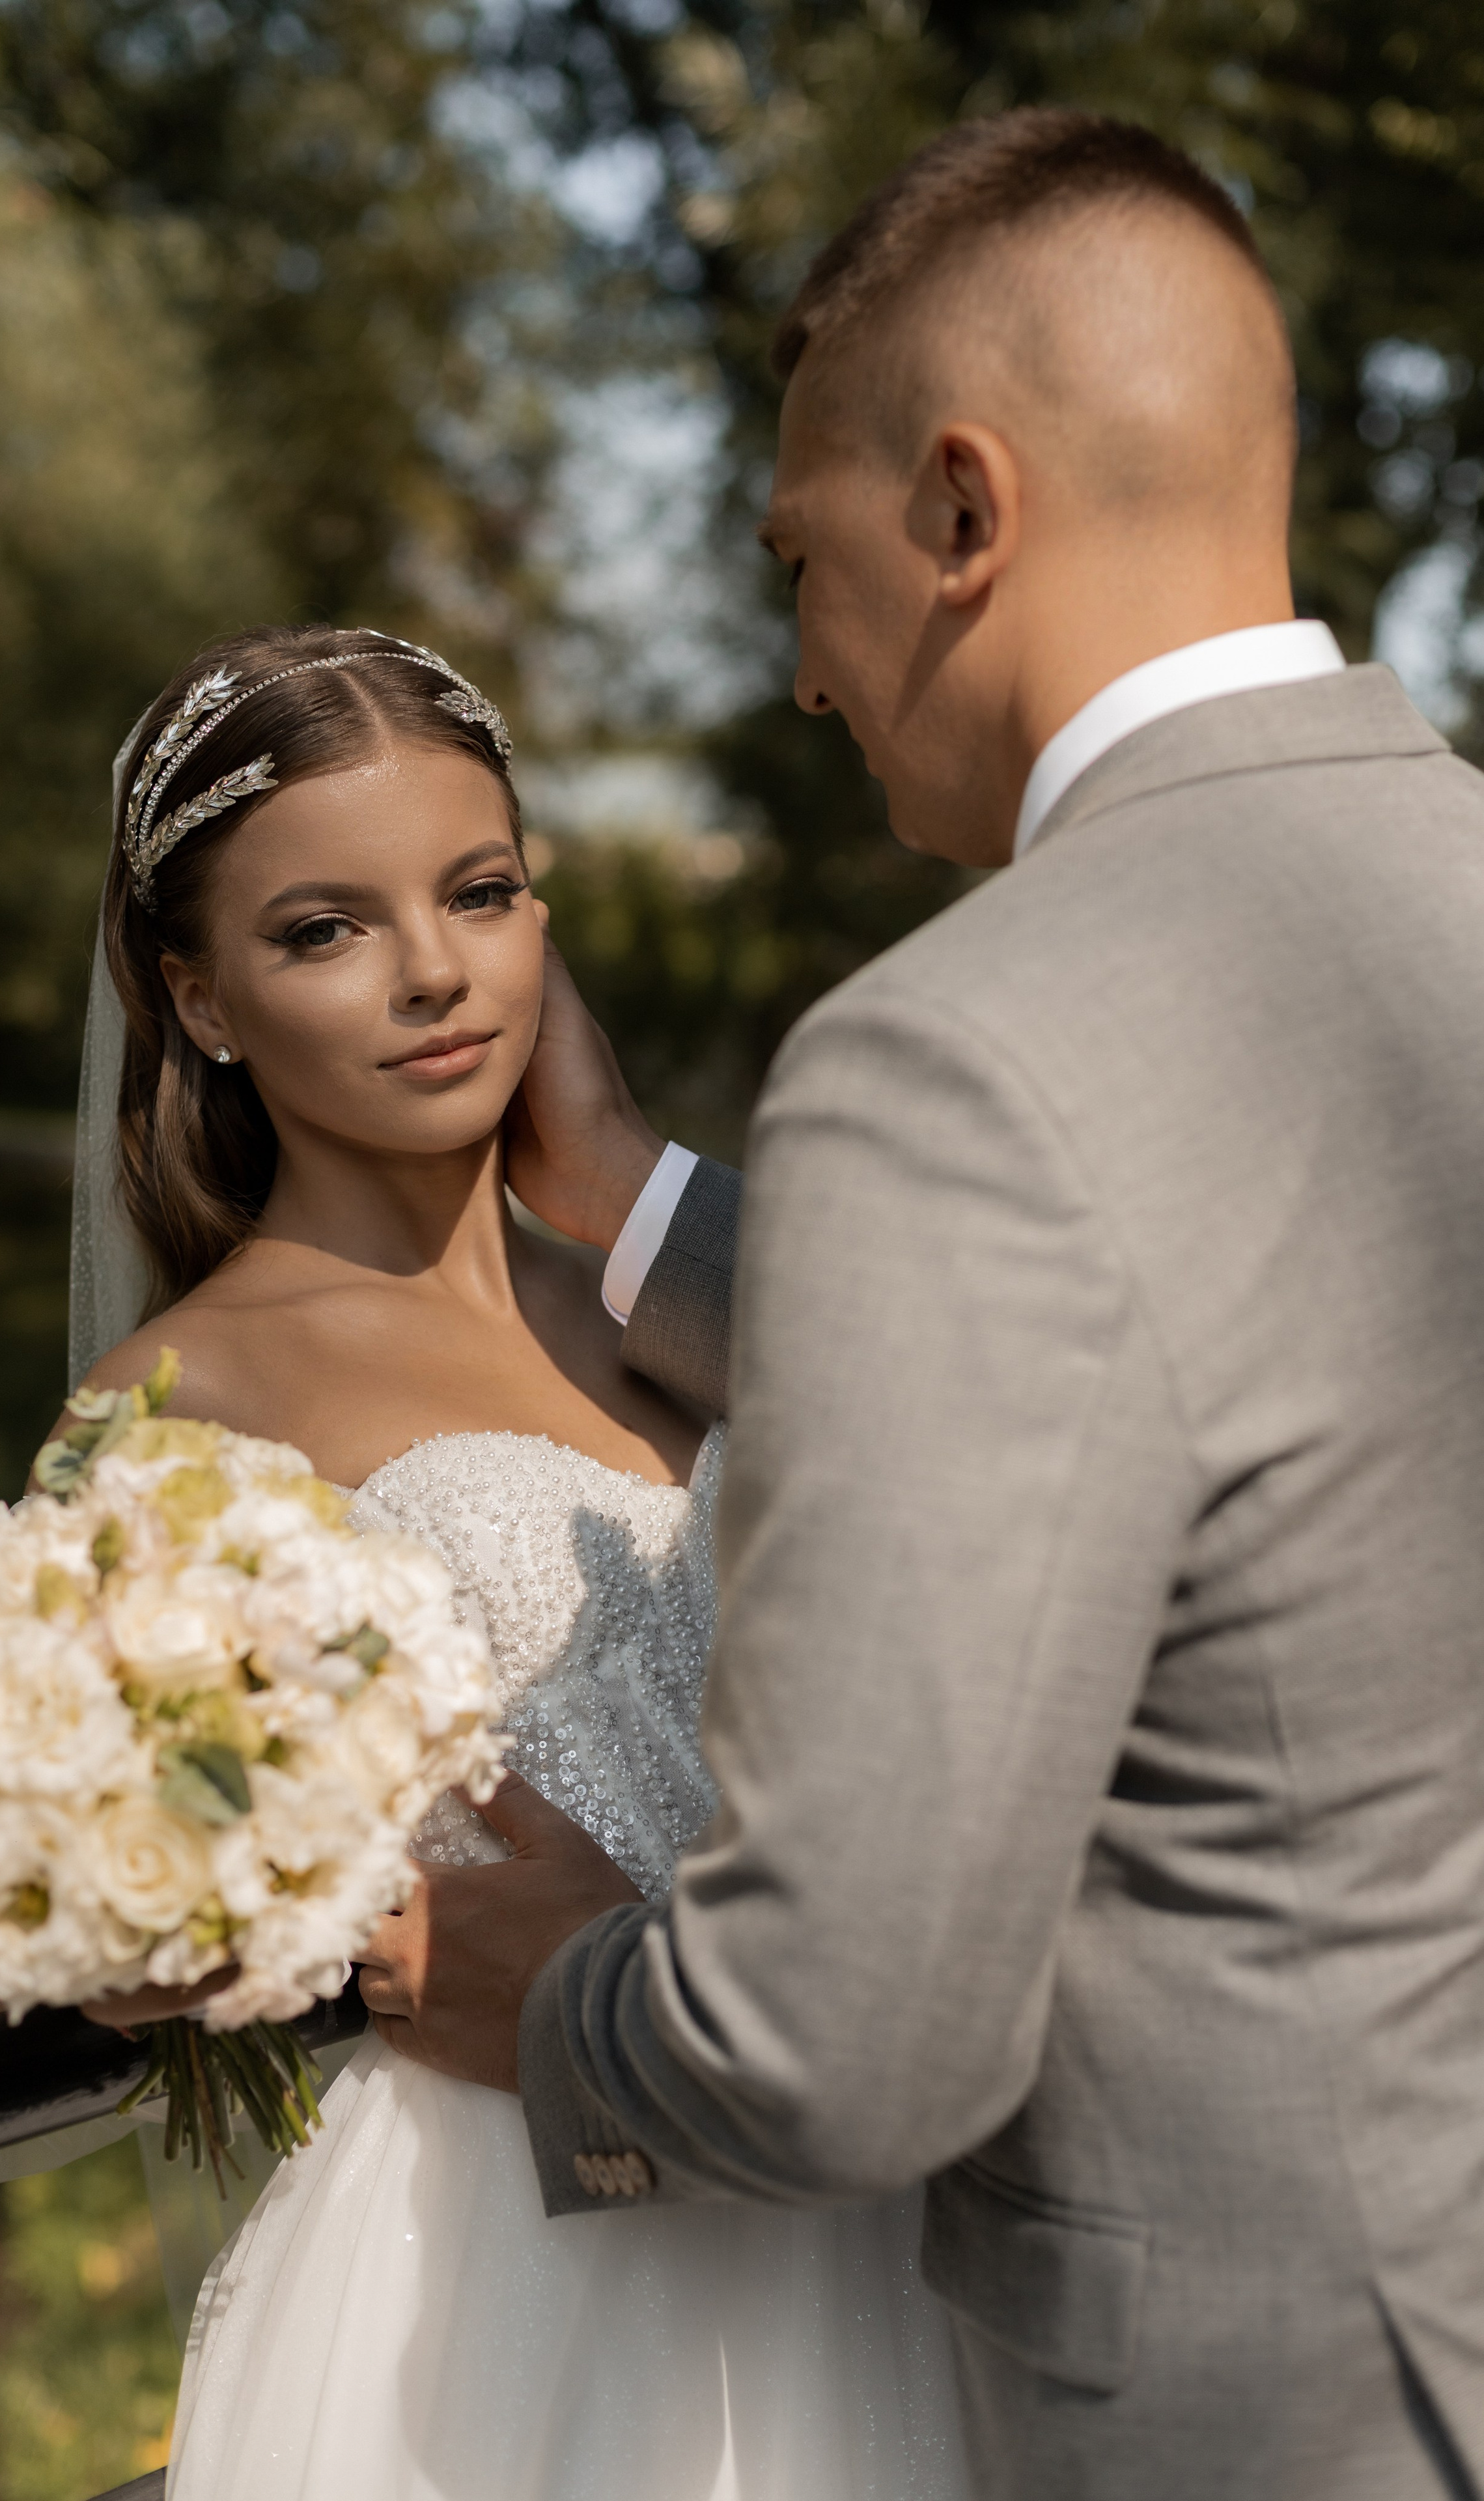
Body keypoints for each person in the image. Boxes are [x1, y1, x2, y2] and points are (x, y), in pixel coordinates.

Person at [353, 111, 1484, 2501]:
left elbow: (837, 2045)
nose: (799, 673)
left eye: (804, 561)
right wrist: (635, 1203)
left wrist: (543, 2008)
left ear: (962, 512)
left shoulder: (958, 1056)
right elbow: (1250, 1390)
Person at [61, 623, 968, 2500]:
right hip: (504, 2261)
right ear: (201, 998)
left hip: (853, 2195)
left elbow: (975, 1484)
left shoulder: (663, 1300)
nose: (433, 972)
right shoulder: (178, 1402)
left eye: (478, 893)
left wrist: (616, 1161)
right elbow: (124, 1889)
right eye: (326, 929)